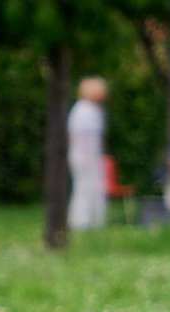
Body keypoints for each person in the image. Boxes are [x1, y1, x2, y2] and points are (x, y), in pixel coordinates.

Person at [67, 77, 108, 230]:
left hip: (93, 156)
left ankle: (95, 221)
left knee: (94, 188)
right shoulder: (82, 110)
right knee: (83, 188)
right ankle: (81, 222)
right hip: (83, 156)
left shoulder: (94, 110)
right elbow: (78, 137)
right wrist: (85, 157)